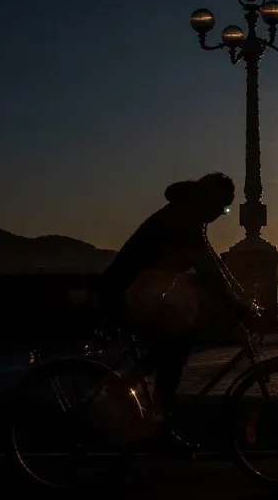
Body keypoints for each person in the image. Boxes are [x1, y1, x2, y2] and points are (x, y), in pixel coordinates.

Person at [98, 172, 256, 456]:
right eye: (222, 207)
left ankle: (153, 419)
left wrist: (240, 294)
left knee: (177, 342)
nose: (222, 214)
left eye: (226, 209)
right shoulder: (185, 219)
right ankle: (137, 399)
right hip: (126, 292)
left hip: (137, 290)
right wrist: (235, 305)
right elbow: (207, 271)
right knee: (178, 340)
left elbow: (214, 263)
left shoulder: (190, 215)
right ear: (209, 199)